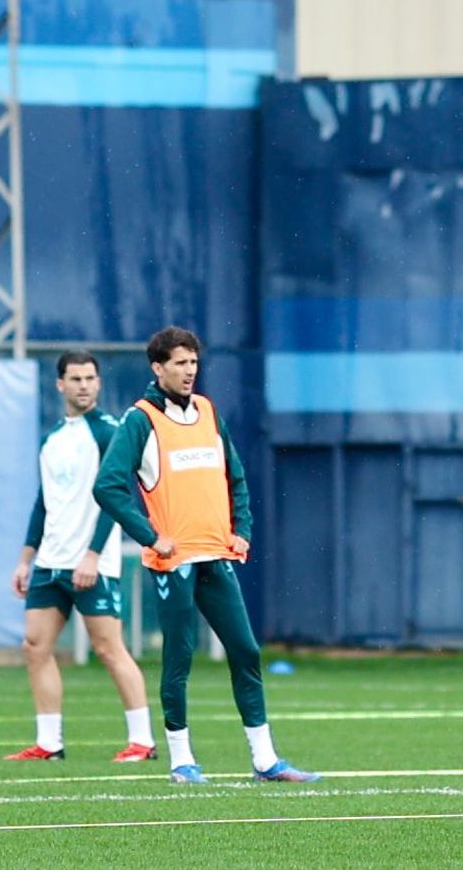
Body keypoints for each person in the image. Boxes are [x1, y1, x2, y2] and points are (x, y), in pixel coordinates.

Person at [93, 326, 320, 784]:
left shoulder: (208, 411)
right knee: (179, 656)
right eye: (180, 363)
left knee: (245, 649)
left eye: (193, 362)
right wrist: (150, 537)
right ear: (158, 368)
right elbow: (107, 486)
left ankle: (265, 760)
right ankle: (181, 761)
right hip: (173, 562)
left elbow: (234, 476)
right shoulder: (140, 419)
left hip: (215, 555)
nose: (189, 370)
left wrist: (243, 532)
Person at [5, 351, 157, 762]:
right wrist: (25, 558)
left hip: (93, 564)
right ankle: (49, 743)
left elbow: (117, 495)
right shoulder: (51, 437)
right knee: (35, 646)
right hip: (50, 562)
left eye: (91, 378)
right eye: (75, 379)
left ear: (98, 383)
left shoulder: (109, 431)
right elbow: (44, 501)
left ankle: (143, 741)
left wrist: (92, 555)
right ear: (60, 384)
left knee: (109, 648)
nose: (84, 385)